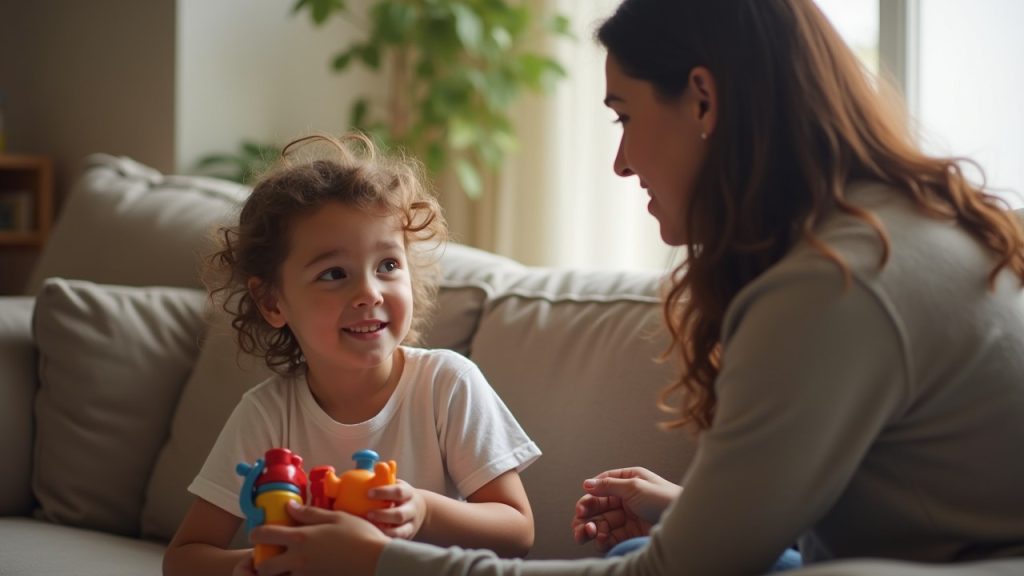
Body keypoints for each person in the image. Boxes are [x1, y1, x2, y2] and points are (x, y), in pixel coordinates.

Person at [240, 0, 1024, 574]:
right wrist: (700, 510)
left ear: (704, 100)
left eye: (622, 115)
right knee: (641, 538)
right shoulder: (889, 230)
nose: (620, 163)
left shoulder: (832, 286)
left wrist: (381, 565)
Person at [162, 133, 541, 576]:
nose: (369, 292)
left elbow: (518, 531)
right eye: (334, 273)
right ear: (272, 303)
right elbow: (184, 558)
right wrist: (258, 563)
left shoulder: (446, 384)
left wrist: (424, 510)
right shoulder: (267, 414)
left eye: (387, 265)